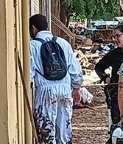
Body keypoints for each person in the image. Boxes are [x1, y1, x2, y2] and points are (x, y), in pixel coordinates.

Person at [29, 14, 83, 144]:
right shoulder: (63, 43)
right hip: (64, 90)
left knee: (46, 132)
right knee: (64, 132)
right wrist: (76, 89)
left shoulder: (32, 46)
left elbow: (29, 74)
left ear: (33, 29)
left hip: (45, 92)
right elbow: (75, 69)